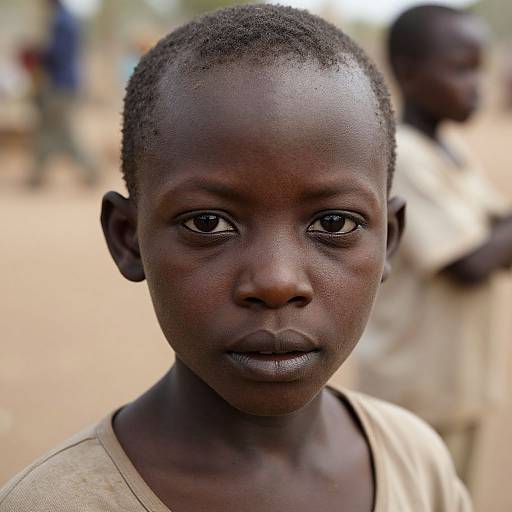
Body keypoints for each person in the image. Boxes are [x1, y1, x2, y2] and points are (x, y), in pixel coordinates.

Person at [0, 5, 470, 511]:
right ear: (127, 238)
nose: (275, 281)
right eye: (208, 224)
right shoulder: (52, 503)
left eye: (334, 224)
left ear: (389, 242)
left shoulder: (417, 463)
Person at [356, 4, 512, 487]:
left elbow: (496, 221)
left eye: (479, 70)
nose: (477, 87)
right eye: (462, 69)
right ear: (408, 70)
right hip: (415, 392)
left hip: (457, 384)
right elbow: (467, 262)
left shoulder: (448, 149)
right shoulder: (404, 158)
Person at [28, 0, 98, 187]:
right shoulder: (67, 19)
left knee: (62, 133)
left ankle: (93, 169)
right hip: (65, 84)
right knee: (46, 130)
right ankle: (37, 174)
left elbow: (57, 54)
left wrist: (36, 55)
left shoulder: (60, 21)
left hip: (60, 86)